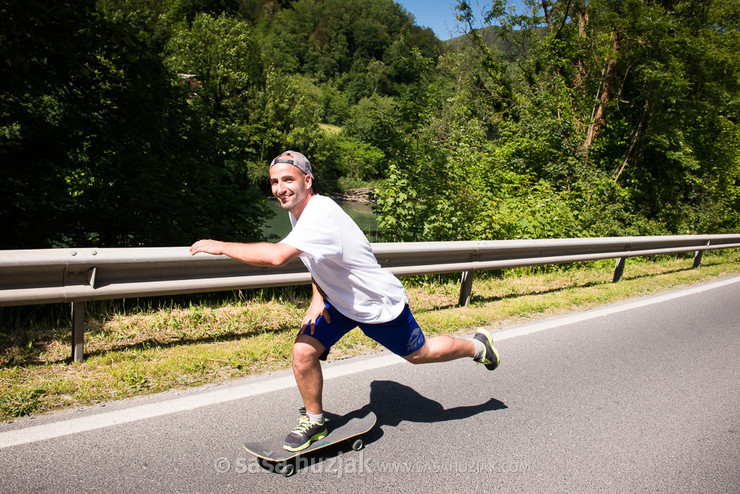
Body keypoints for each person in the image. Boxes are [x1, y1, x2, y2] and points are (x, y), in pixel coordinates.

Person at [190, 150, 500, 452]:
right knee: (303, 353)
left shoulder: (320, 214)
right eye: (274, 182)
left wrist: (220, 245)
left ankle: (478, 347)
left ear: (307, 181)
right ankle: (315, 421)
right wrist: (317, 297)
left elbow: (276, 256)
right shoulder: (297, 211)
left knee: (421, 353)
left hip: (376, 306)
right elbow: (319, 260)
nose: (280, 189)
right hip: (337, 303)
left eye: (288, 180)